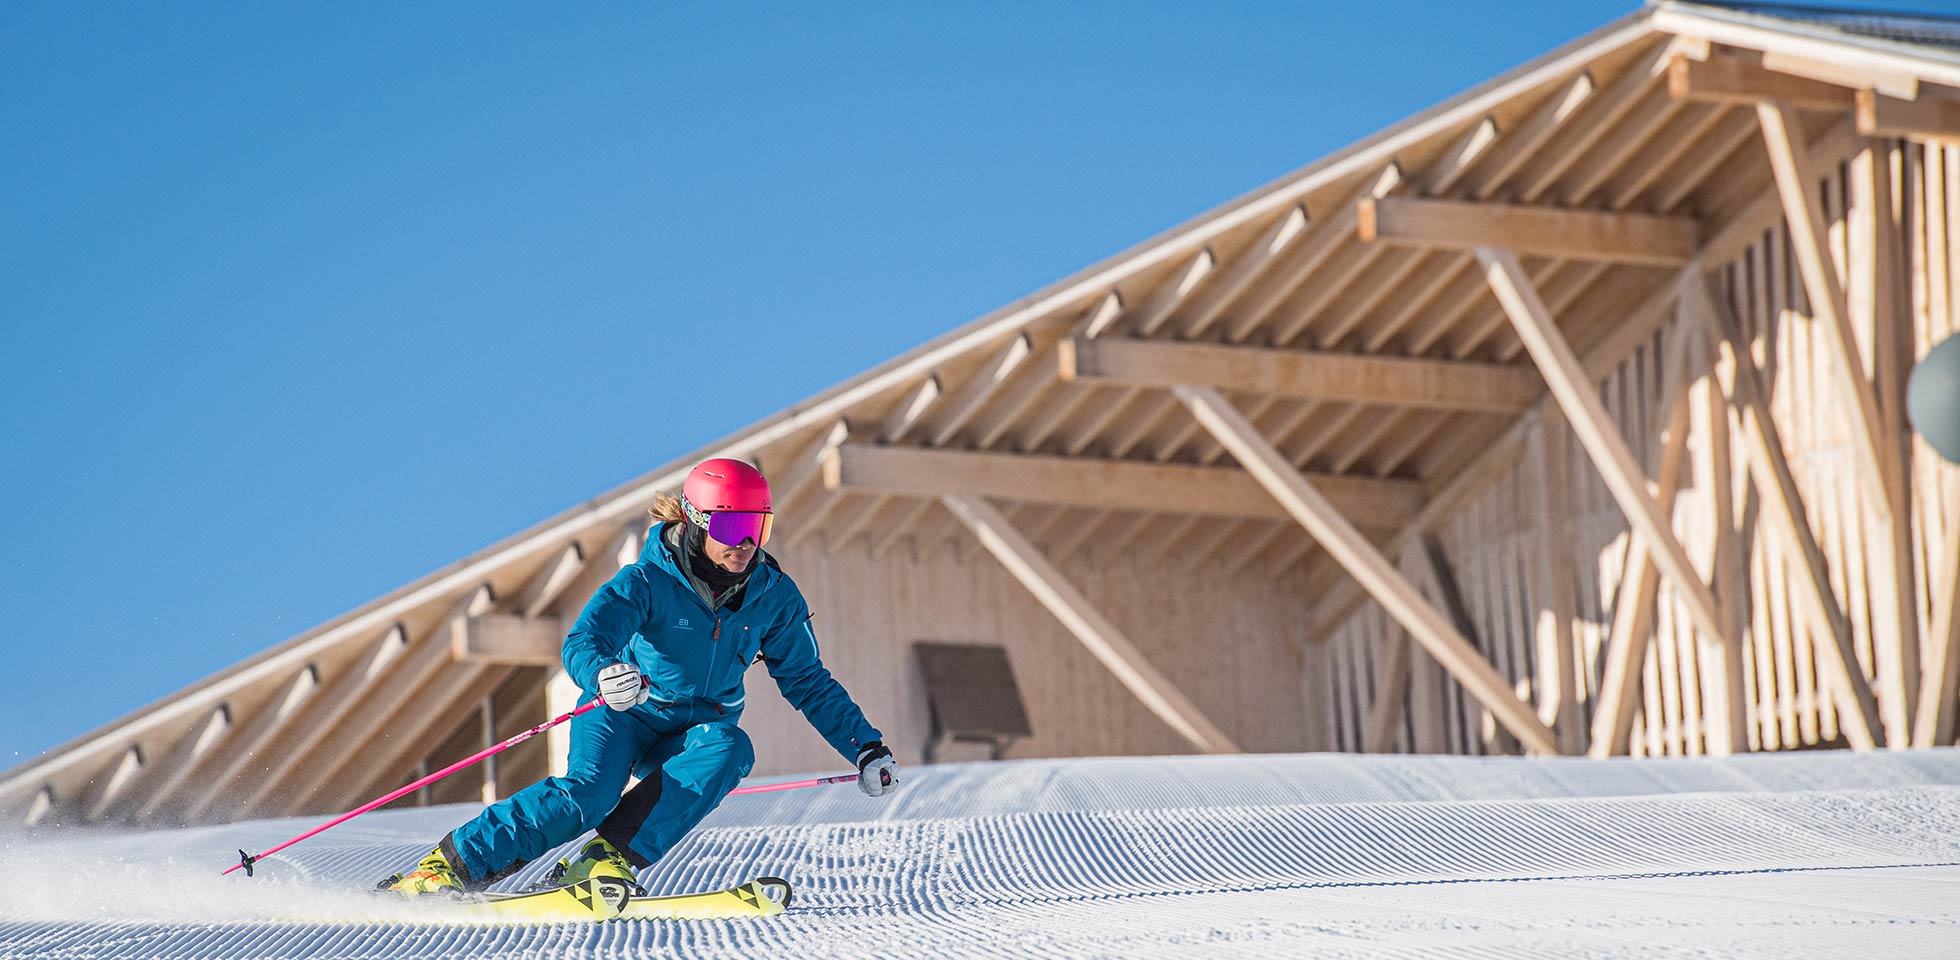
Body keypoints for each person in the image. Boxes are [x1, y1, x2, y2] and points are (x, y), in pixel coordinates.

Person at [383, 458, 899, 896]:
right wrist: (604, 672)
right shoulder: (648, 580)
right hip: (623, 712)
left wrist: (865, 746)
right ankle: (447, 868)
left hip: (692, 728)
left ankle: (602, 863)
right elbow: (583, 640)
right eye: (729, 528)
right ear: (696, 523)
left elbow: (808, 680)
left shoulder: (775, 598)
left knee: (730, 748)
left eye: (756, 528)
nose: (744, 544)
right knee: (589, 794)